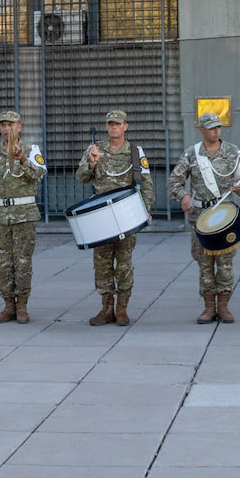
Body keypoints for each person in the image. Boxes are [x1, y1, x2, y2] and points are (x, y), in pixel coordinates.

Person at [169, 112, 240, 324]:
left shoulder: (232, 152)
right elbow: (174, 182)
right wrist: (183, 196)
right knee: (204, 265)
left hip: (225, 218)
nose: (216, 131)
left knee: (225, 264)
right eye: (211, 127)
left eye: (218, 127)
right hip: (200, 218)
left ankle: (223, 307)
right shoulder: (192, 154)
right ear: (201, 129)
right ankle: (208, 308)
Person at [77, 111, 155, 327]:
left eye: (118, 124)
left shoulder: (135, 152)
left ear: (125, 126)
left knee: (124, 264)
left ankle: (122, 309)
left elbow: (146, 184)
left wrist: (145, 209)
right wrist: (91, 163)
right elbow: (81, 177)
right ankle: (106, 309)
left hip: (126, 215)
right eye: (110, 124)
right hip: (101, 217)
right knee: (102, 264)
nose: (113, 127)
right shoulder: (95, 149)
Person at [0, 111, 46, 324]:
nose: (6, 129)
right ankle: (8, 305)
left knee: (22, 262)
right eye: (3, 125)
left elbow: (39, 174)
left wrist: (23, 160)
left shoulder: (31, 150)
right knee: (2, 263)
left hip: (24, 215)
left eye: (11, 125)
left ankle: (22, 305)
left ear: (19, 127)